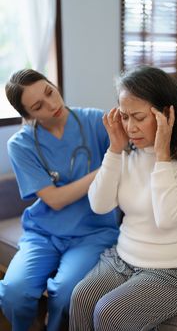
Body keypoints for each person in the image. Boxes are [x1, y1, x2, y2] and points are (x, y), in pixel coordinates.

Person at [69, 65, 177, 331]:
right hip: (122, 259)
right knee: (81, 297)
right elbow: (99, 205)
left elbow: (167, 218)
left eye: (138, 117)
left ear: (167, 115)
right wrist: (114, 150)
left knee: (110, 313)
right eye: (124, 117)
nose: (130, 127)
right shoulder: (125, 155)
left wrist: (162, 156)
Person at [0, 69, 120, 331]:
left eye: (50, 92)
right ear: (28, 114)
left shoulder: (95, 121)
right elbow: (54, 200)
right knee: (14, 292)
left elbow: (135, 146)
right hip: (44, 233)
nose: (52, 104)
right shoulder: (21, 145)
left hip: (94, 231)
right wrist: (104, 169)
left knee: (67, 294)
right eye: (38, 106)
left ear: (54, 85)